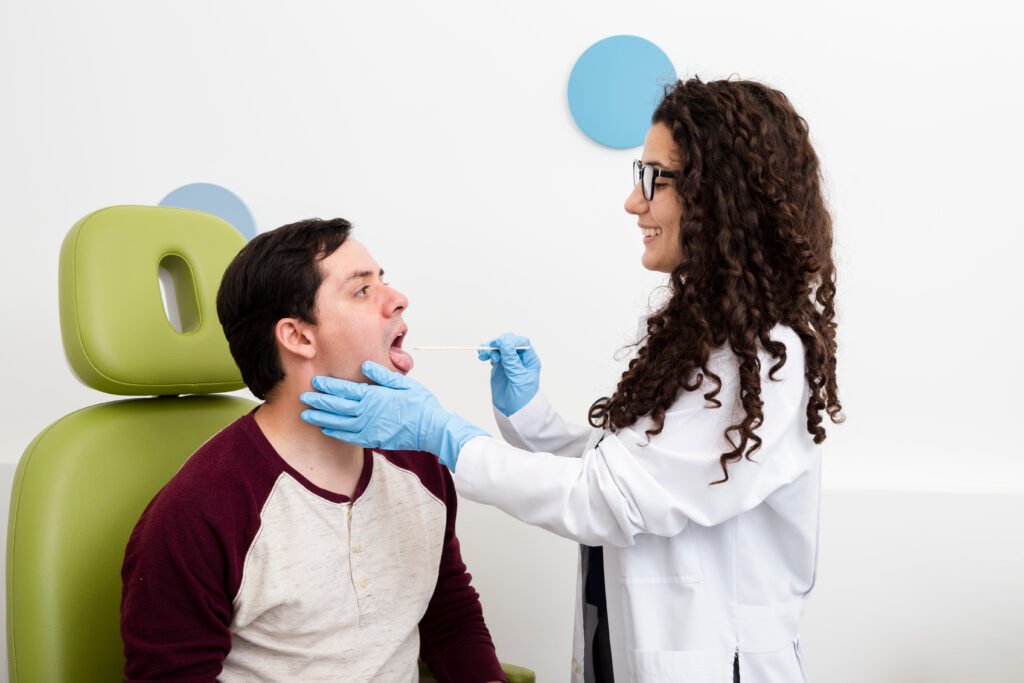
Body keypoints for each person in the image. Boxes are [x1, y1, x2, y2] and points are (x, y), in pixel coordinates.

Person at [301, 77, 844, 683]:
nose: (632, 203)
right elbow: (628, 471)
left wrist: (443, 435)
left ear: (718, 195)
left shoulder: (763, 361)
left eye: (652, 178)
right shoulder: (693, 332)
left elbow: (612, 500)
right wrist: (531, 417)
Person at [120, 218, 507, 683]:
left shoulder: (419, 461)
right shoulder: (201, 509)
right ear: (298, 336)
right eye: (362, 291)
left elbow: (449, 616)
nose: (398, 298)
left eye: (382, 280)